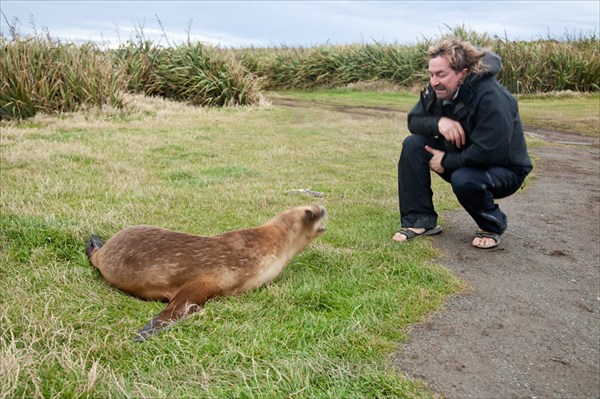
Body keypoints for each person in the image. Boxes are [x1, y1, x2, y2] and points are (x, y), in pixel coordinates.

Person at [393, 38, 532, 249]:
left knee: (464, 178)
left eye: (441, 74)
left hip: (504, 169)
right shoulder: (437, 91)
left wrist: (447, 161)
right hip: (464, 157)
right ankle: (419, 220)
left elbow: (491, 151)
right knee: (413, 145)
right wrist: (439, 123)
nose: (434, 81)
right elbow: (414, 121)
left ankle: (491, 224)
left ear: (463, 73)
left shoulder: (490, 96)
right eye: (431, 74)